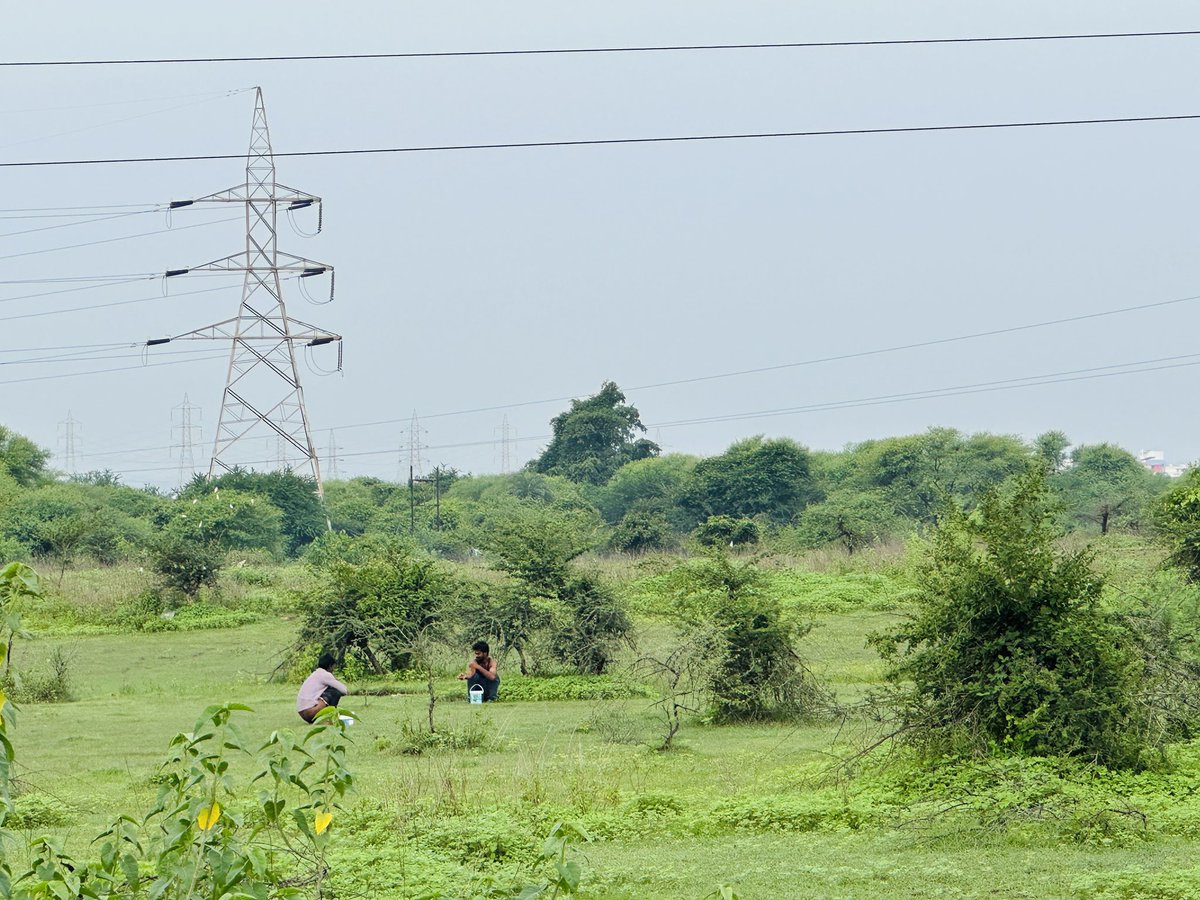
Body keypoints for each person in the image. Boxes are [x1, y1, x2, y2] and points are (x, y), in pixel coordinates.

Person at [297, 652, 349, 723]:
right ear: (330, 666)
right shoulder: (325, 675)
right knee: (335, 692)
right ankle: (331, 718)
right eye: (333, 667)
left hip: (303, 713)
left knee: (329, 690)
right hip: (310, 712)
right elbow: (344, 690)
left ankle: (325, 717)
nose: (333, 669)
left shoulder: (316, 673)